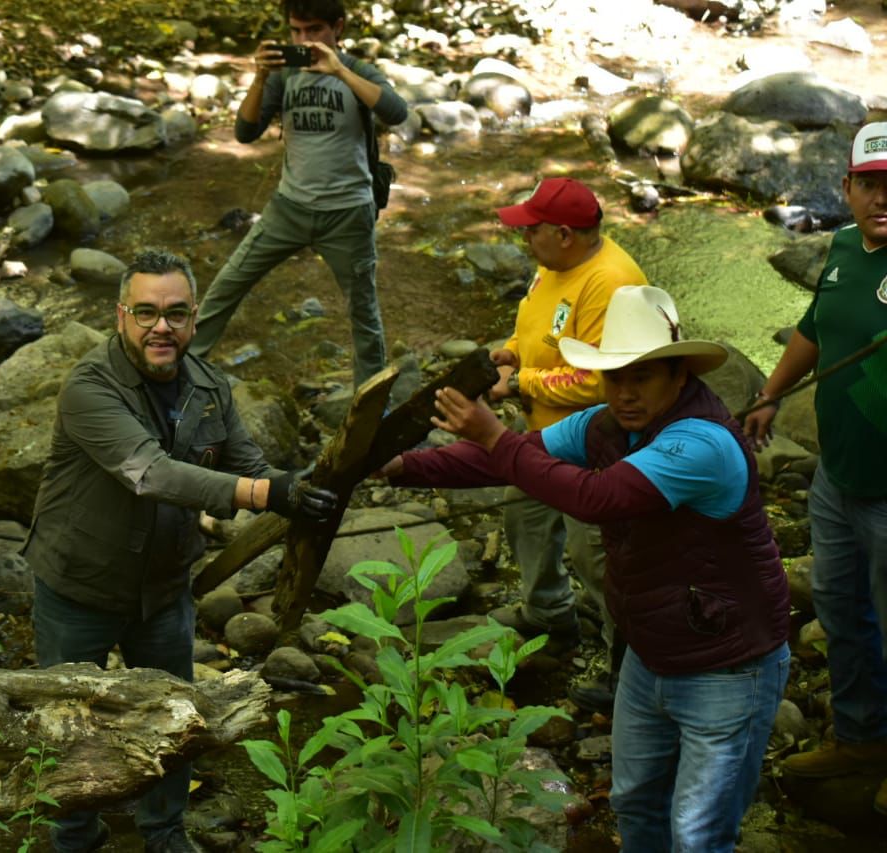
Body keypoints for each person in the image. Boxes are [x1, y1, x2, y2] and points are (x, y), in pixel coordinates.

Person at [378, 285, 791, 852]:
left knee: (699, 834)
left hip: (728, 666)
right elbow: (514, 457)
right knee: (636, 803)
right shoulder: (602, 424)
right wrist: (403, 466)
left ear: (678, 376)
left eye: (641, 377)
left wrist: (493, 435)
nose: (624, 391)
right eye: (614, 375)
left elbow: (596, 498)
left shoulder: (703, 444)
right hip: (650, 651)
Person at [25, 249, 337, 853]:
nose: (160, 326)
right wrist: (266, 493)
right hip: (77, 586)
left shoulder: (210, 386)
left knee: (176, 716)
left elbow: (250, 463)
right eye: (145, 312)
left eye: (174, 313)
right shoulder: (89, 386)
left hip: (165, 591)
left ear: (194, 319)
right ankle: (72, 836)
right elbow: (151, 473)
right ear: (121, 316)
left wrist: (303, 487)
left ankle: (164, 832)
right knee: (67, 725)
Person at [744, 121, 887, 810]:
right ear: (848, 189)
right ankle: (860, 736)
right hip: (837, 474)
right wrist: (769, 395)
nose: (881, 198)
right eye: (869, 184)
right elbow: (813, 325)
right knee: (840, 606)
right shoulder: (840, 249)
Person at [487, 177, 648, 711]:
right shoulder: (554, 263)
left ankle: (628, 666)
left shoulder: (612, 283)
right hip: (543, 432)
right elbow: (538, 328)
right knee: (523, 514)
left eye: (530, 232)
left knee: (595, 553)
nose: (524, 241)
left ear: (564, 234)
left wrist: (521, 382)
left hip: (597, 439)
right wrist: (512, 353)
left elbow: (601, 380)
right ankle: (550, 615)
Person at [188, 0, 408, 388]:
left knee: (364, 314)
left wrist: (337, 68)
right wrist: (259, 77)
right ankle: (178, 373)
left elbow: (396, 111)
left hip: (348, 214)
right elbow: (245, 133)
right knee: (227, 285)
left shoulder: (357, 71)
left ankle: (369, 407)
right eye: (296, 31)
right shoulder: (284, 76)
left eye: (314, 30)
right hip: (288, 209)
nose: (304, 40)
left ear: (336, 28)